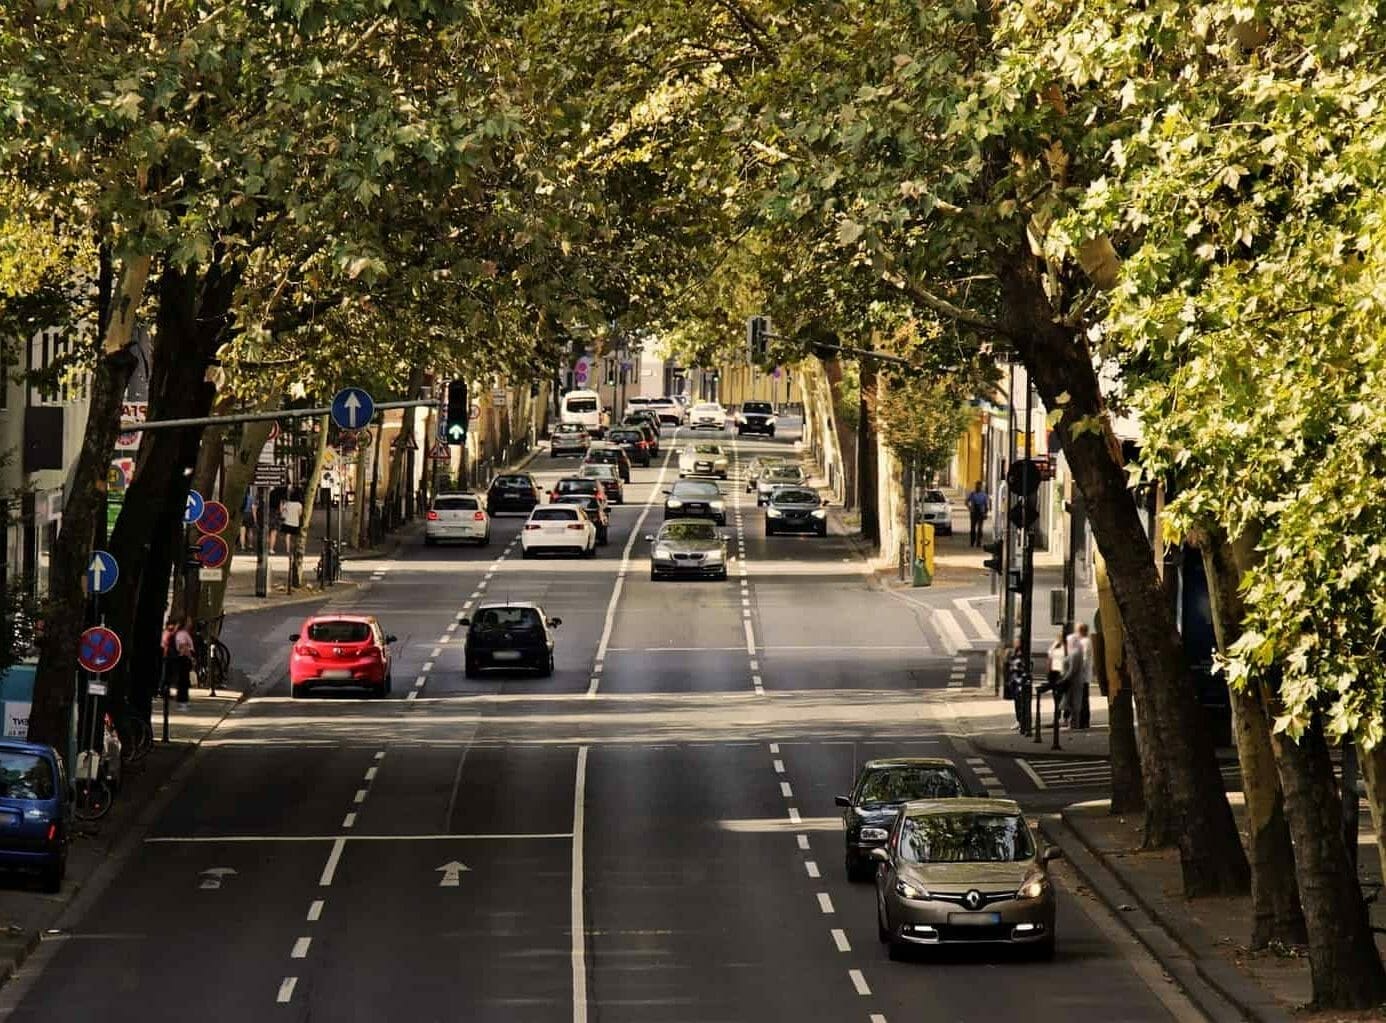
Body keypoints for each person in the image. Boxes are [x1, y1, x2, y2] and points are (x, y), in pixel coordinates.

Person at [1062, 626, 1087, 727]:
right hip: (1074, 680)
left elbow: (1072, 669)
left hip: (1074, 681)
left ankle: (1074, 723)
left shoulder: (1075, 653)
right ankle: (1073, 722)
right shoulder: (1075, 652)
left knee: (1074, 702)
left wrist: (1065, 679)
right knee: (1073, 701)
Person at [1007, 641, 1031, 733]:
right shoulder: (1015, 653)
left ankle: (1023, 722)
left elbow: (1023, 666)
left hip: (1020, 681)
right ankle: (1019, 721)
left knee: (1021, 702)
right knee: (1017, 701)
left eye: (1017, 642)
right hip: (1015, 681)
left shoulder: (1023, 654)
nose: (1015, 643)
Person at [1073, 623, 1093, 729]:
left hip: (1082, 676)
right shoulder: (1085, 641)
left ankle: (1082, 722)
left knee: (1082, 699)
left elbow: (1083, 659)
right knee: (1083, 699)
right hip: (1083, 676)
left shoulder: (1084, 642)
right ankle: (1083, 721)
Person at [173, 618, 195, 705]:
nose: (191, 623)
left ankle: (183, 698)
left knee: (184, 679)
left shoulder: (183, 633)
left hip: (184, 658)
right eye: (189, 622)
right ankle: (182, 698)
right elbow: (183, 646)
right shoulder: (182, 634)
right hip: (184, 658)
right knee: (184, 679)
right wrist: (190, 657)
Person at [966, 481, 990, 547]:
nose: (978, 487)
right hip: (973, 513)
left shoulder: (984, 495)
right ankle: (972, 542)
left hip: (981, 513)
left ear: (981, 486)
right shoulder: (972, 494)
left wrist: (985, 513)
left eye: (979, 486)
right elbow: (966, 501)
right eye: (976, 485)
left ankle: (979, 542)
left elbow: (986, 505)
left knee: (980, 528)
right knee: (972, 528)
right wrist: (970, 508)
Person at [159, 619, 179, 698]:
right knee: (166, 675)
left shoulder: (166, 633)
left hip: (168, 656)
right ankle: (163, 690)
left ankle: (164, 690)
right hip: (168, 656)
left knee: (167, 675)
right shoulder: (168, 634)